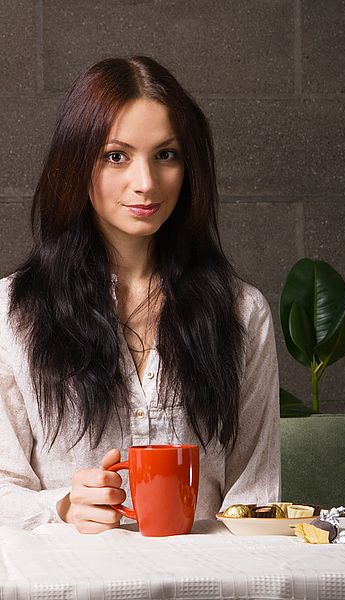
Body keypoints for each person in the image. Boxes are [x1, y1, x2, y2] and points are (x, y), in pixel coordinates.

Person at [0, 56, 280, 533]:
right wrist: (64, 506)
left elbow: (255, 496)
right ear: (76, 163)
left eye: (165, 155)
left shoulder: (241, 312)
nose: (146, 182)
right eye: (116, 156)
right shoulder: (13, 313)